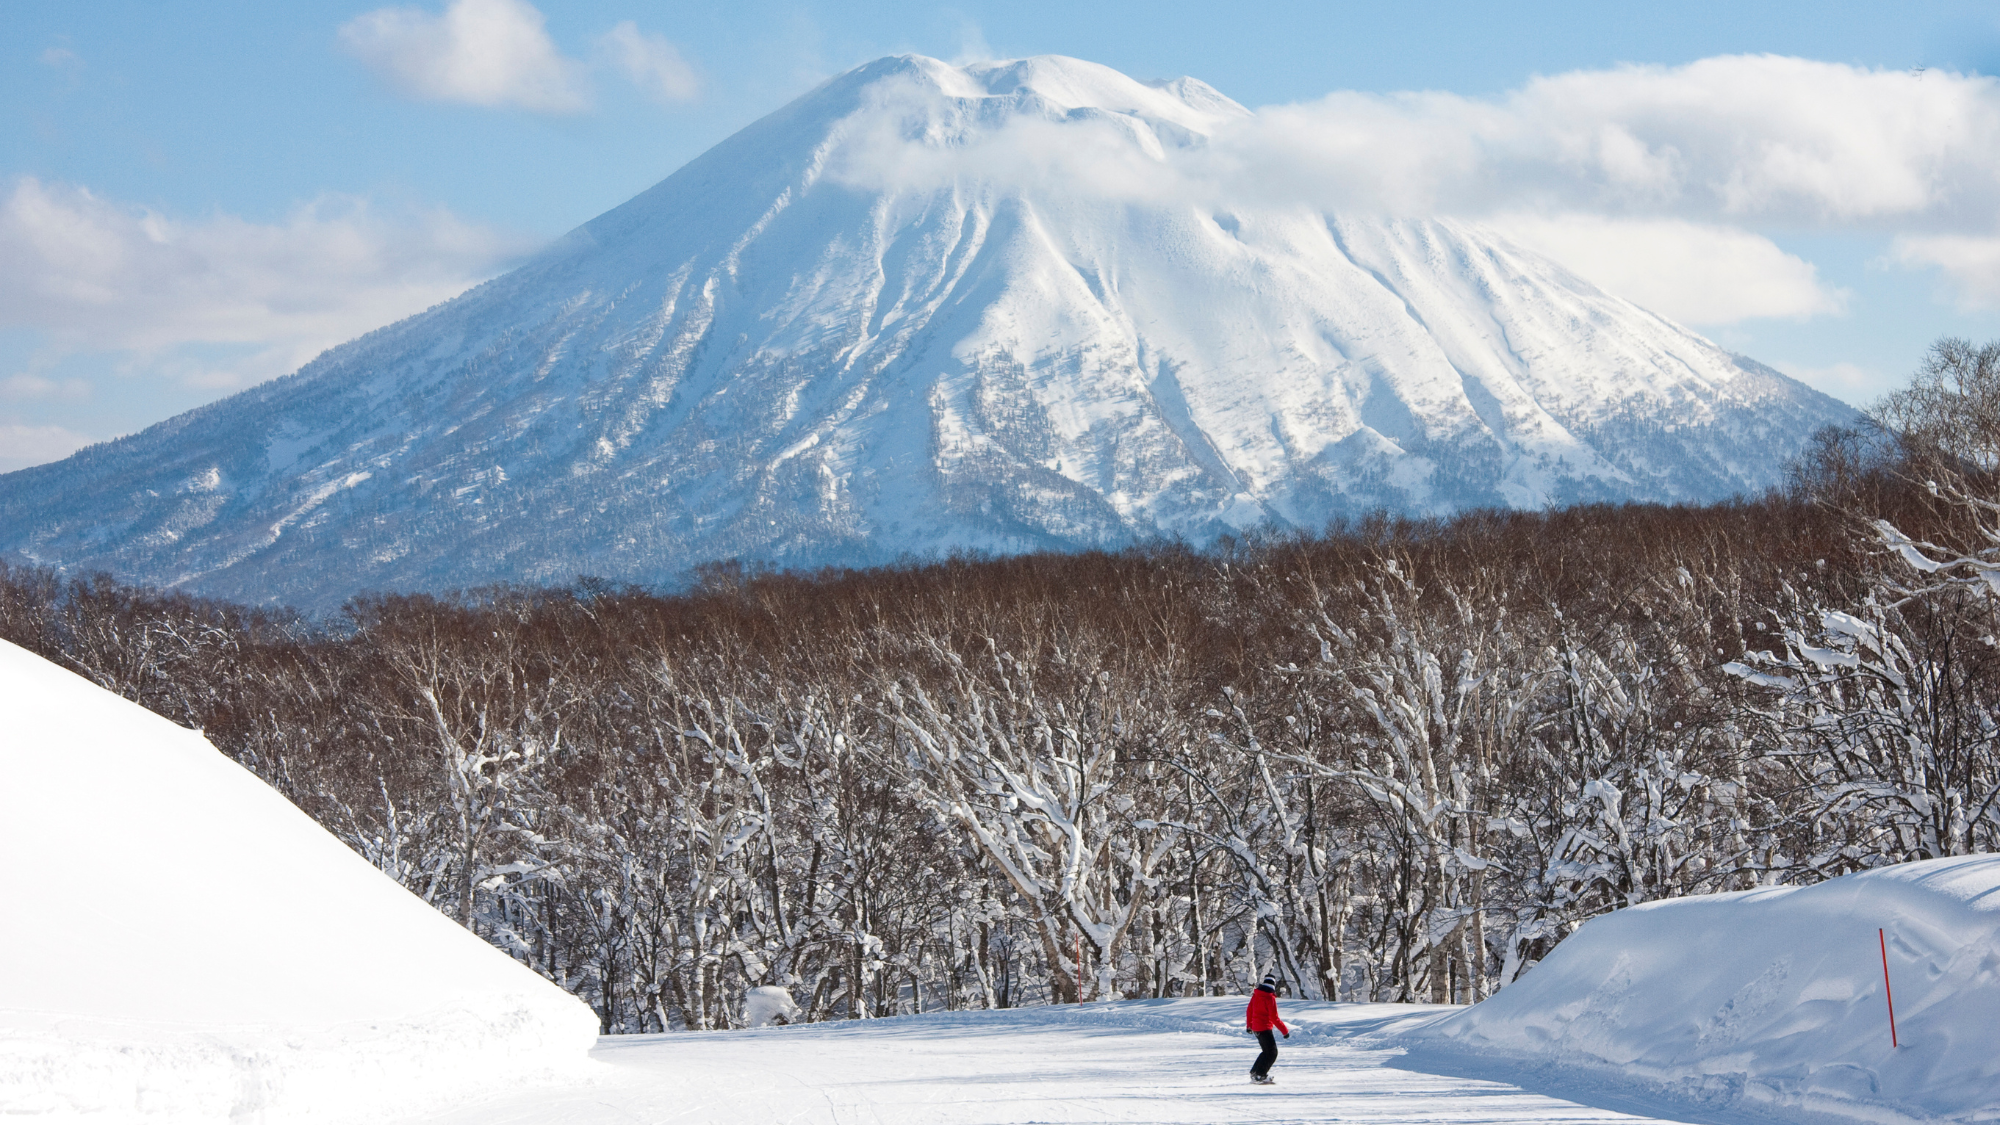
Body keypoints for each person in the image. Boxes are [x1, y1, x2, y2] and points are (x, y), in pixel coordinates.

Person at [1244, 972, 1290, 1084]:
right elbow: (1274, 1017)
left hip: (1256, 1028)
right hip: (1264, 1028)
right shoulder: (1270, 998)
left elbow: (1249, 1010)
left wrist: (1249, 1026)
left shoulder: (1256, 995)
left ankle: (1255, 1072)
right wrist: (1285, 1031)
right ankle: (1260, 1075)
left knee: (1266, 1051)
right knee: (1272, 1052)